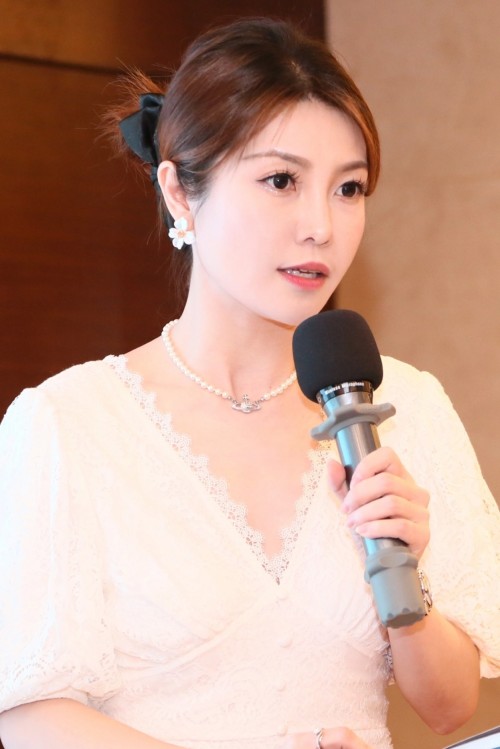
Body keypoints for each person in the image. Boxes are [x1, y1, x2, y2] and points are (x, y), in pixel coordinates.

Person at [0, 16, 499, 749]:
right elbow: (27, 716)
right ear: (180, 192)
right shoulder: (66, 423)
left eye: (349, 188)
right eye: (281, 181)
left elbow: (452, 707)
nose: (321, 226)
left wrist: (406, 574)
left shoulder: (405, 405)